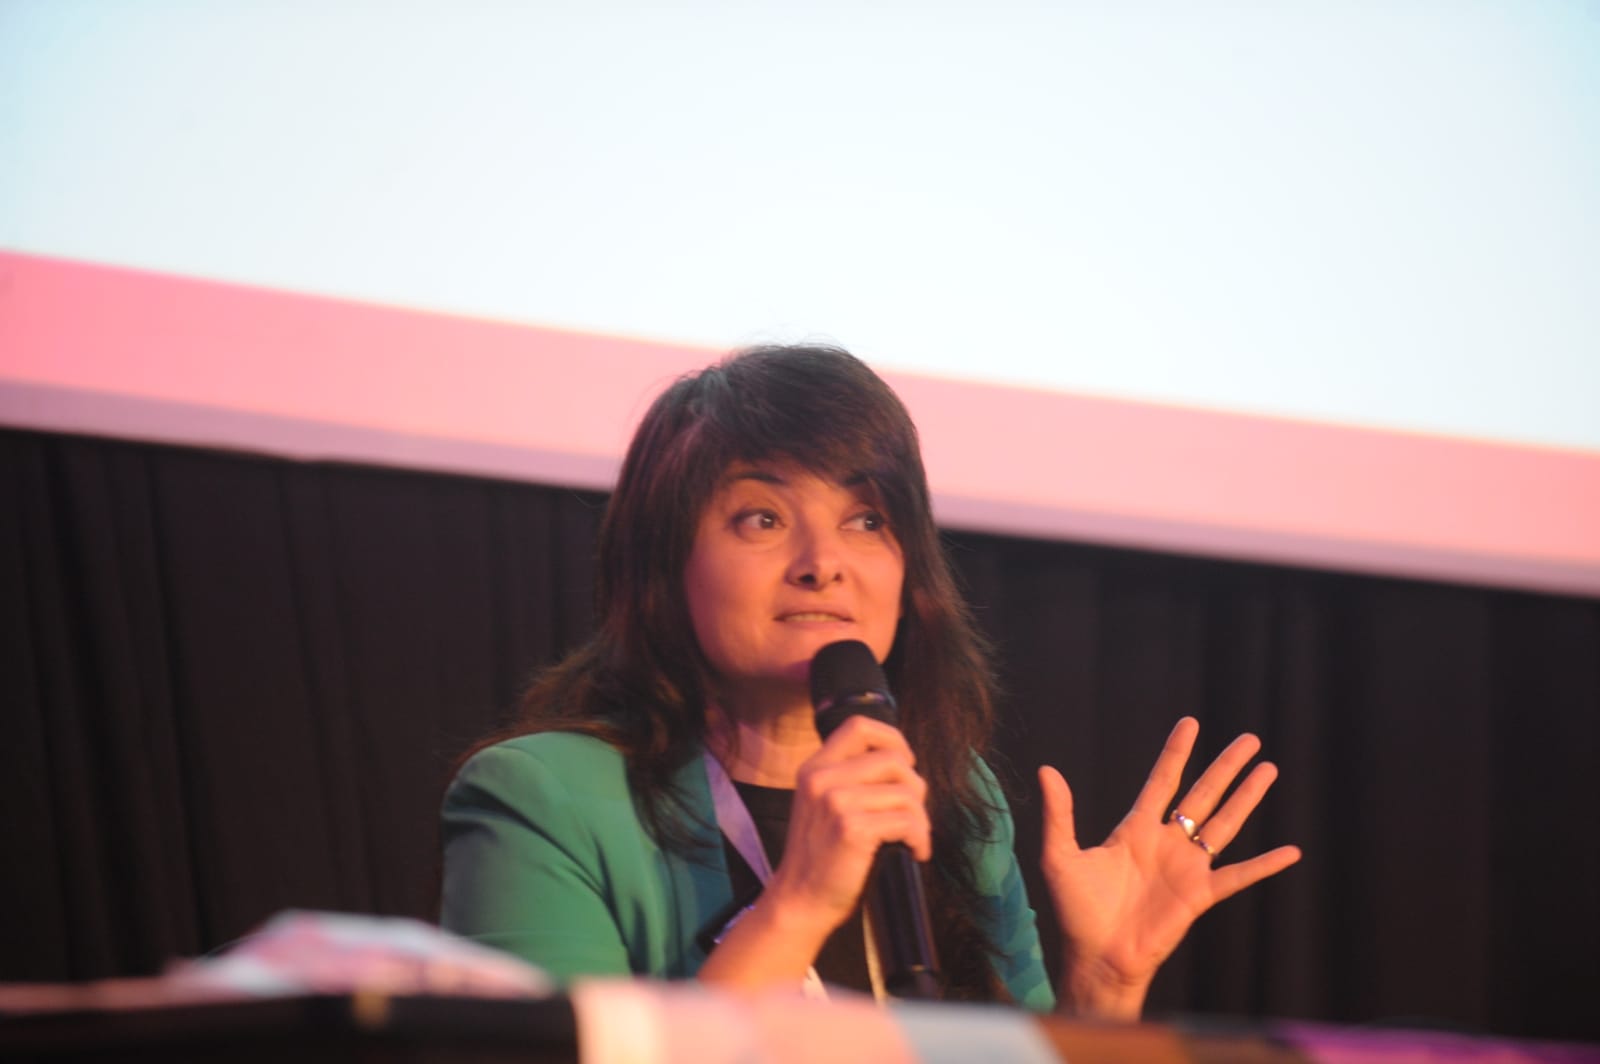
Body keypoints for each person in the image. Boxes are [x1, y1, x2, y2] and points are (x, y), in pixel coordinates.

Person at [439, 344, 1300, 1016]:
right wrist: (798, 903)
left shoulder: (953, 802)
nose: (824, 563)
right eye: (763, 518)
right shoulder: (544, 798)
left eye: (865, 519)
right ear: (664, 566)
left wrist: (1101, 989)